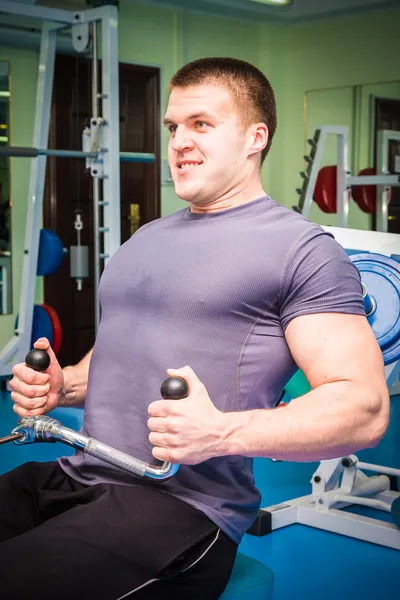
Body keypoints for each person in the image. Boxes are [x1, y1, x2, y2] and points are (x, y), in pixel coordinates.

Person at [2, 57, 389, 600]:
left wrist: (221, 433)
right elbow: (123, 348)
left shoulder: (302, 251)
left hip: (180, 506)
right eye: (173, 127)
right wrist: (64, 385)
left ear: (256, 137)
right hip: (78, 470)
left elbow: (364, 407)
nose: (179, 140)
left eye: (201, 124)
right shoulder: (146, 239)